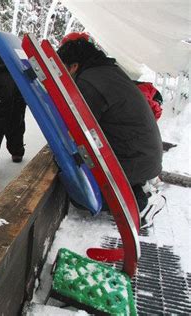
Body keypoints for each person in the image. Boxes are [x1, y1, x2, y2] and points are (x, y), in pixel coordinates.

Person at [57, 35, 165, 228]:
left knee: (83, 197)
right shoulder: (107, 72)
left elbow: (80, 128)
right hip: (143, 155)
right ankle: (138, 186)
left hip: (135, 158)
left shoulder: (88, 83)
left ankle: (141, 203)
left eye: (62, 69)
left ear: (73, 66)